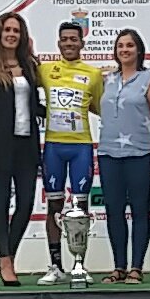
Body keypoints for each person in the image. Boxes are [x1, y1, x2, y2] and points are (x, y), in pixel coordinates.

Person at [0, 12, 42, 286]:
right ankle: (5, 260)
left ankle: (8, 255)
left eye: (17, 31)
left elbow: (35, 106)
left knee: (26, 203)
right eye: (8, 30)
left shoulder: (29, 65)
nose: (12, 34)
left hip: (27, 144)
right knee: (0, 201)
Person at [97, 29, 150, 284]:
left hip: (140, 153)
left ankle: (137, 267)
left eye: (129, 45)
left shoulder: (149, 79)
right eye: (120, 46)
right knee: (113, 211)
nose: (124, 50)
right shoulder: (107, 79)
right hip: (108, 153)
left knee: (139, 210)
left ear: (139, 50)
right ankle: (119, 267)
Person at [36, 22, 104, 285]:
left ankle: (79, 266)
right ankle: (55, 266)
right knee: (54, 206)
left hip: (81, 148)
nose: (69, 43)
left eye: (73, 39)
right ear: (58, 43)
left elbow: (102, 107)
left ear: (82, 43)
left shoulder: (93, 74)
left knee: (80, 208)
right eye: (64, 39)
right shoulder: (45, 70)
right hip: (54, 147)